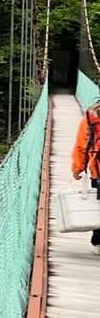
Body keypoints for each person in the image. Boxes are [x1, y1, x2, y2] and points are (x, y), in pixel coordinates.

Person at [71, 99, 100, 250]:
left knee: (98, 208)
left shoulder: (91, 117)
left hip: (98, 171)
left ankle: (98, 242)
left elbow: (82, 146)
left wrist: (78, 168)